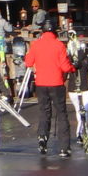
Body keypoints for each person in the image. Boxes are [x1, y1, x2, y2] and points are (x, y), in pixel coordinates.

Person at [26, 18, 73, 157]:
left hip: (41, 83)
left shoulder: (35, 44)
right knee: (61, 113)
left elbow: (28, 62)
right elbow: (65, 66)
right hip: (56, 83)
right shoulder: (59, 45)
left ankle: (42, 138)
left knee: (44, 112)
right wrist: (72, 67)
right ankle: (64, 147)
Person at [66, 33, 88, 147]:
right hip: (85, 87)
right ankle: (83, 131)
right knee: (85, 110)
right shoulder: (86, 59)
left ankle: (79, 133)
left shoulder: (68, 58)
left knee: (77, 110)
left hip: (72, 88)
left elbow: (65, 73)